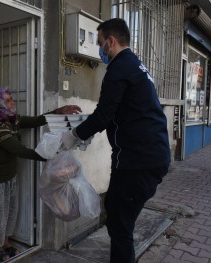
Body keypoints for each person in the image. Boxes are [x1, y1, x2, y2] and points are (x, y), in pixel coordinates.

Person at [61, 18, 170, 263]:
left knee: (120, 227)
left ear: (111, 41)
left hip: (137, 161)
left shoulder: (119, 69)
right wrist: (89, 130)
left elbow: (104, 114)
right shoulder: (135, 65)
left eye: (100, 43)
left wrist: (74, 135)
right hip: (150, 157)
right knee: (115, 211)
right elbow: (118, 113)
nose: (100, 50)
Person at [0, 86, 81, 262]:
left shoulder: (12, 120)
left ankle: (5, 242)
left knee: (11, 210)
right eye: (9, 100)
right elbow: (20, 150)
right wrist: (52, 157)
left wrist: (59, 111)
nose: (13, 102)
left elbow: (36, 121)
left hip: (10, 175)